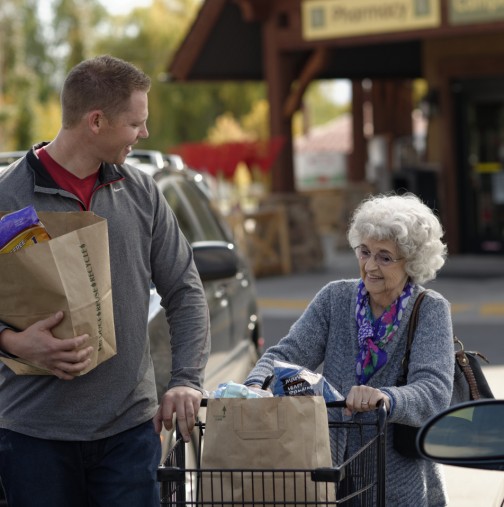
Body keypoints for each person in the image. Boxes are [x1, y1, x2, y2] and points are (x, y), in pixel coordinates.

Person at [0, 55, 210, 506]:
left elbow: (185, 290)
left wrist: (187, 379)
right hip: (31, 438)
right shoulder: (5, 197)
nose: (145, 133)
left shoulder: (142, 192)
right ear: (96, 121)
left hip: (129, 435)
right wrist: (12, 343)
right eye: (136, 123)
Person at [245, 193, 454, 506]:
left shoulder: (430, 310)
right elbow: (284, 355)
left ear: (411, 261)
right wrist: (255, 385)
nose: (370, 266)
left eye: (385, 257)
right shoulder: (335, 298)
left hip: (397, 481)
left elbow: (434, 392)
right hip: (329, 469)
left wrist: (386, 397)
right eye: (365, 251)